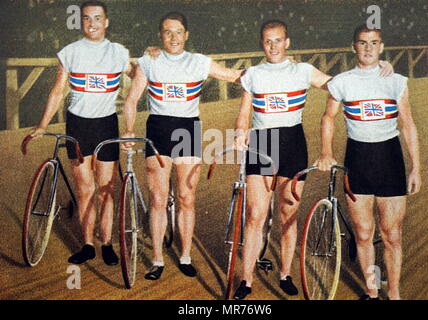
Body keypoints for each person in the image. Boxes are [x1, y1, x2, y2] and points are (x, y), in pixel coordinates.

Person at [232, 20, 394, 300]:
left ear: (288, 42)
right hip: (261, 144)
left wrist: (377, 71)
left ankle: (285, 274)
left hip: (292, 144)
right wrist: (239, 132)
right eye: (268, 41)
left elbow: (339, 85)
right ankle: (245, 281)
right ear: (262, 43)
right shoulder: (254, 74)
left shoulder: (303, 70)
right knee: (255, 216)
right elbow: (244, 111)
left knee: (288, 214)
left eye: (278, 40)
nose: (273, 46)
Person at [121, 11, 243, 280]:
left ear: (186, 35)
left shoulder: (199, 61)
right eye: (167, 32)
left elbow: (235, 76)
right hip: (158, 130)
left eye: (178, 32)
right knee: (158, 199)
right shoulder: (149, 60)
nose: (173, 37)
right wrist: (129, 131)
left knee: (187, 198)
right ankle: (157, 260)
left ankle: (185, 255)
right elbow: (130, 100)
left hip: (188, 130)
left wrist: (275, 67)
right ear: (160, 36)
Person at [314, 25, 421, 300]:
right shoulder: (342, 81)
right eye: (362, 43)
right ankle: (371, 292)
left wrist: (416, 167)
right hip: (358, 160)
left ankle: (394, 293)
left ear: (382, 47)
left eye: (374, 43)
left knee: (392, 235)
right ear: (354, 47)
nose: (368, 48)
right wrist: (326, 151)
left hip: (390, 160)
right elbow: (328, 118)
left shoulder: (396, 80)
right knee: (363, 234)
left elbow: (407, 124)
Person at [28, 1, 133, 265]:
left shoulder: (118, 52)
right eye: (87, 18)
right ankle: (88, 244)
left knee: (106, 189)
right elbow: (56, 91)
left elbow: (142, 74)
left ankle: (107, 242)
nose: (92, 23)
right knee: (85, 189)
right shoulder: (70, 52)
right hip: (78, 126)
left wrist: (155, 54)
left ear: (106, 22)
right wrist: (42, 124)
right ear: (81, 21)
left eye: (98, 18)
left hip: (106, 125)